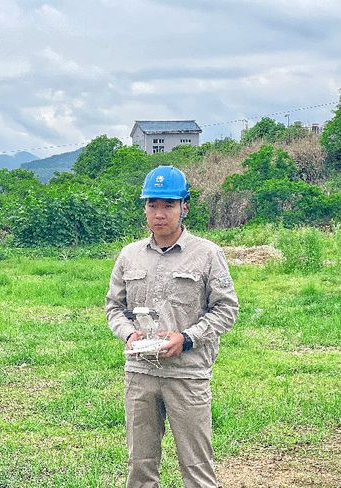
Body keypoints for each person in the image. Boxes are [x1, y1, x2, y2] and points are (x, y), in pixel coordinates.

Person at [105, 165, 239, 488]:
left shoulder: (207, 255)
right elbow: (113, 308)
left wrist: (187, 338)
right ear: (145, 209)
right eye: (153, 204)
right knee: (140, 468)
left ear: (184, 207)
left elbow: (227, 309)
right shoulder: (129, 256)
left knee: (197, 469)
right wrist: (129, 334)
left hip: (187, 375)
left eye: (168, 205)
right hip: (141, 376)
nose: (159, 213)